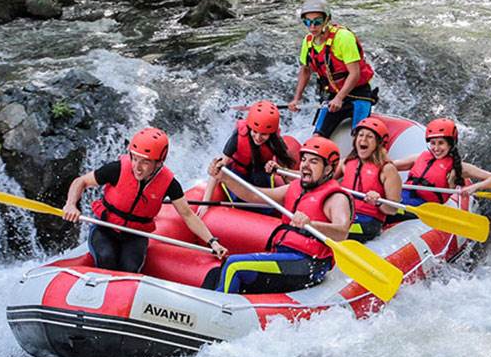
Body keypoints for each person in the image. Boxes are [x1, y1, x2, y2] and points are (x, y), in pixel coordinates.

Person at [63, 127, 228, 273]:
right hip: (106, 228)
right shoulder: (117, 169)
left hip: (136, 234)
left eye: (145, 162)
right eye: (134, 158)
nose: (137, 166)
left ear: (158, 163)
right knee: (107, 258)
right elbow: (81, 182)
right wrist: (71, 204)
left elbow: (188, 215)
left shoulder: (169, 183)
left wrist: (212, 242)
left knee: (130, 267)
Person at [208, 136, 352, 294]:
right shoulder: (294, 187)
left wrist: (312, 225)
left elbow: (342, 232)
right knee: (217, 273)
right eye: (304, 159)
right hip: (286, 256)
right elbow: (255, 196)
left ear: (328, 169)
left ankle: (218, 315)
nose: (305, 165)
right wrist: (225, 178)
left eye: (314, 162)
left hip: (309, 264)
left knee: (234, 266)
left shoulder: (336, 198)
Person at [288, 0, 377, 138]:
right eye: (307, 22)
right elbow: (305, 70)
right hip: (333, 95)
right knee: (317, 136)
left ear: (326, 20)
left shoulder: (343, 38)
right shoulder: (308, 41)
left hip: (358, 94)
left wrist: (340, 98)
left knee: (361, 137)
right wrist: (296, 98)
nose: (312, 26)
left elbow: (355, 73)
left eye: (317, 22)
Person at [198, 100, 296, 217]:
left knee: (265, 200)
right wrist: (205, 203)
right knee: (239, 200)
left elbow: (284, 171)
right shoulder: (237, 137)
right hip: (238, 173)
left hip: (260, 173)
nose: (258, 137)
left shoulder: (275, 142)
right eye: (255, 131)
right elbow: (218, 169)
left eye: (264, 134)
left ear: (271, 133)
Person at [393, 118, 491, 208]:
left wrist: (474, 187)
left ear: (450, 144)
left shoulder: (459, 167)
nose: (436, 148)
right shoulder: (419, 158)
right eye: (433, 143)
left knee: (387, 208)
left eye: (441, 143)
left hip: (425, 206)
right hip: (404, 195)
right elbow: (390, 166)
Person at [336, 117, 402, 242]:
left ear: (378, 143)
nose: (363, 139)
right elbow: (321, 180)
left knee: (334, 232)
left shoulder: (387, 169)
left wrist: (378, 201)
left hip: (368, 222)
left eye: (369, 137)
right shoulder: (347, 163)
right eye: (360, 135)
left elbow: (393, 209)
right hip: (343, 215)